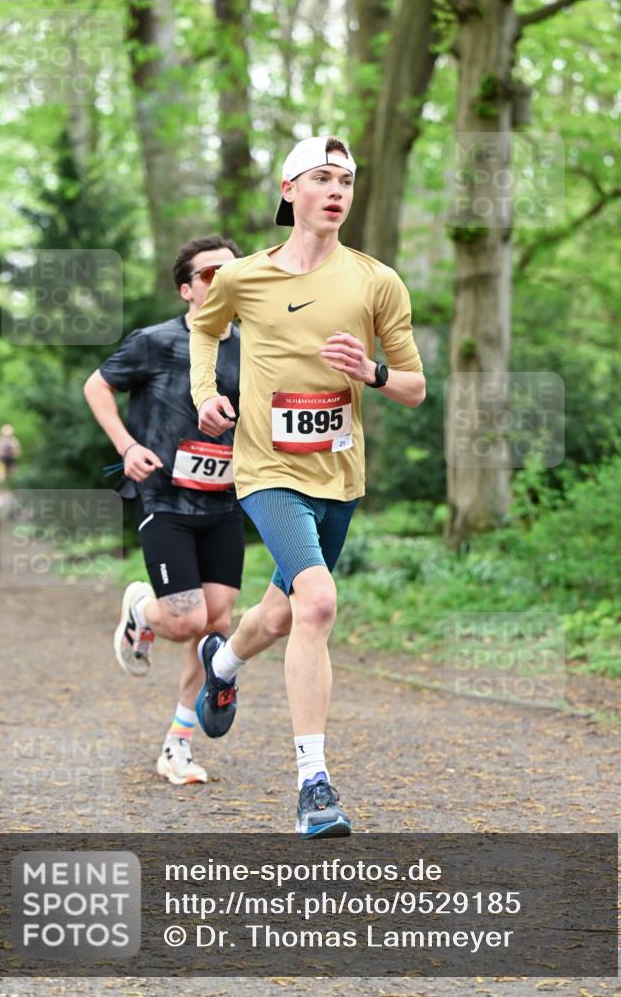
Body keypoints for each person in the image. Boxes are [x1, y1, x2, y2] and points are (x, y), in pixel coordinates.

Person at [189, 136, 426, 836]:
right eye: (321, 178)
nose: (336, 191)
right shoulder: (244, 278)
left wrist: (373, 374)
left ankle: (223, 659)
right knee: (318, 602)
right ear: (288, 190)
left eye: (346, 181)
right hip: (266, 468)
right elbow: (206, 330)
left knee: (283, 614)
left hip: (338, 473)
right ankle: (313, 786)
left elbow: (413, 387)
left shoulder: (376, 281)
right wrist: (207, 391)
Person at [84, 235, 244, 787]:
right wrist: (127, 447)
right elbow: (96, 386)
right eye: (208, 276)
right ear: (187, 289)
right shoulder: (155, 342)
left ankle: (177, 746)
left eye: (231, 271)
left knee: (218, 625)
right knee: (184, 620)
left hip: (224, 499)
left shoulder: (255, 347)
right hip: (165, 496)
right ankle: (141, 612)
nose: (222, 281)